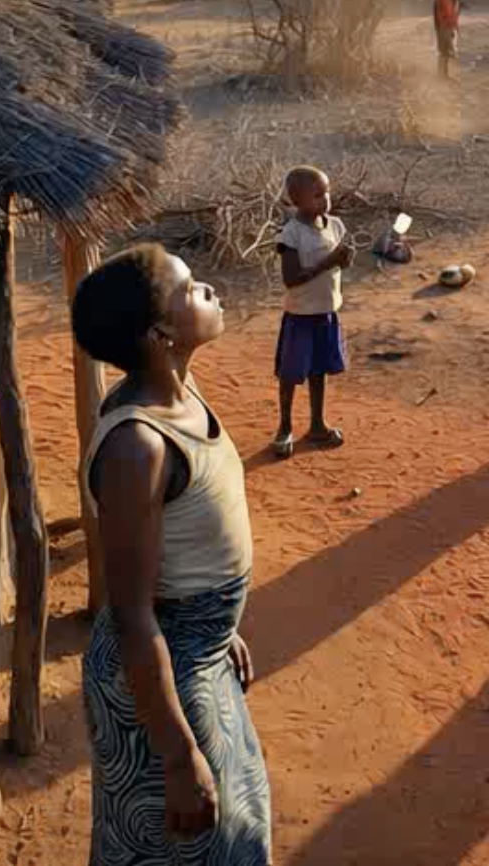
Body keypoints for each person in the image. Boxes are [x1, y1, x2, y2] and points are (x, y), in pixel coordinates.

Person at [73, 244, 272, 865]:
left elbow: (182, 552)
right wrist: (178, 754)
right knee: (181, 841)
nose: (208, 289)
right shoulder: (138, 448)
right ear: (160, 335)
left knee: (232, 829)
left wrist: (219, 627)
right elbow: (132, 611)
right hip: (160, 672)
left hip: (195, 650)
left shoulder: (179, 392)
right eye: (189, 289)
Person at [270, 166, 353, 458]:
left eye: (326, 192)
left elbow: (338, 266)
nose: (325, 199)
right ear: (297, 200)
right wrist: (331, 261)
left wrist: (344, 260)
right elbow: (292, 279)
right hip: (301, 315)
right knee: (291, 374)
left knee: (319, 370)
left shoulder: (335, 226)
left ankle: (317, 424)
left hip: (326, 311)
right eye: (317, 195)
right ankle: (284, 427)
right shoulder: (291, 234)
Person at [432, 0, 462, 81]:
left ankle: (443, 75)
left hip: (449, 25)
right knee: (446, 52)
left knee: (446, 52)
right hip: (444, 25)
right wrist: (438, 26)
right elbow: (437, 8)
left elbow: (455, 7)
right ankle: (443, 75)